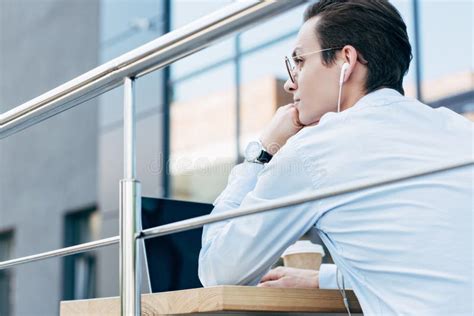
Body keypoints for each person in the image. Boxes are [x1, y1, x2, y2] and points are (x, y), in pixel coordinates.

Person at [198, 1, 473, 315]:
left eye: (299, 61)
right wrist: (325, 278)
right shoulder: (459, 130)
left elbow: (217, 269)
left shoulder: (316, 149)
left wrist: (262, 150)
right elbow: (432, 262)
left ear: (347, 60)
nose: (290, 82)